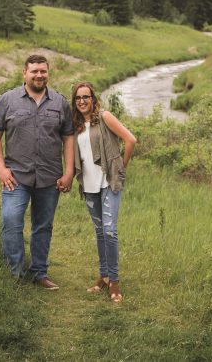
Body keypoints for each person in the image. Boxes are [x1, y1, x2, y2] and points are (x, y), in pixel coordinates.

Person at [0, 54, 75, 289]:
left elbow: (68, 137)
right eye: (34, 71)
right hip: (16, 176)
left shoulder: (60, 103)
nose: (39, 75)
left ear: (48, 73)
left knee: (43, 225)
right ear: (24, 73)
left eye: (43, 71)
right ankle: (14, 273)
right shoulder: (7, 100)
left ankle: (39, 272)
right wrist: (0, 169)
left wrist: (69, 172)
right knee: (10, 221)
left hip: (50, 176)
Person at [70, 81, 137, 303]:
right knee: (100, 231)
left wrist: (121, 168)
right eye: (78, 98)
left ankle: (115, 282)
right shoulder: (76, 126)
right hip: (88, 185)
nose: (82, 101)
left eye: (86, 97)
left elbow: (130, 140)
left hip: (108, 182)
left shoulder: (105, 117)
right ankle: (104, 276)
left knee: (109, 230)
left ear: (93, 99)